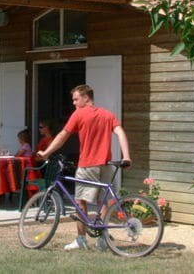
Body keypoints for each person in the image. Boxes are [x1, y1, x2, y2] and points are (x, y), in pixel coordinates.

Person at [37, 84, 131, 252]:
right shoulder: (107, 115)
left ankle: (81, 240)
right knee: (104, 202)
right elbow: (120, 132)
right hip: (106, 165)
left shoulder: (79, 114)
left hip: (88, 164)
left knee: (80, 201)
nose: (73, 103)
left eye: (76, 99)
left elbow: (62, 136)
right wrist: (126, 156)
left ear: (86, 98)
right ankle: (102, 240)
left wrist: (46, 152)